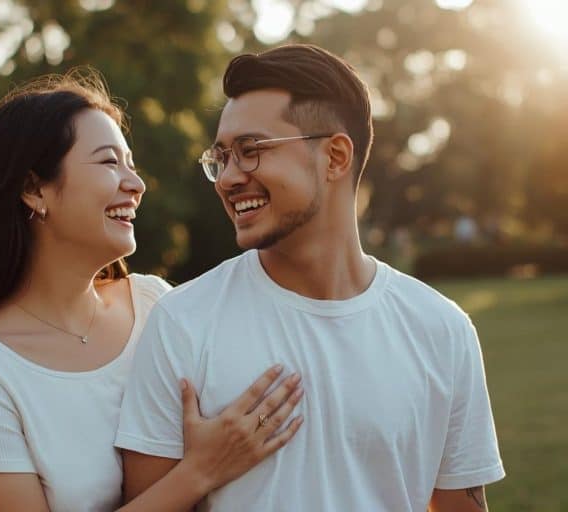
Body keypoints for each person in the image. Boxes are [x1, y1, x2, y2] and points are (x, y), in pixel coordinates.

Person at [0, 70, 305, 512]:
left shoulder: (155, 305)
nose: (137, 185)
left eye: (131, 164)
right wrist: (199, 472)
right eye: (110, 162)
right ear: (33, 189)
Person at [116, 44, 505, 511]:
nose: (227, 178)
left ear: (336, 157)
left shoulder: (443, 329)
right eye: (221, 157)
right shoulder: (182, 323)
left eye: (251, 150)